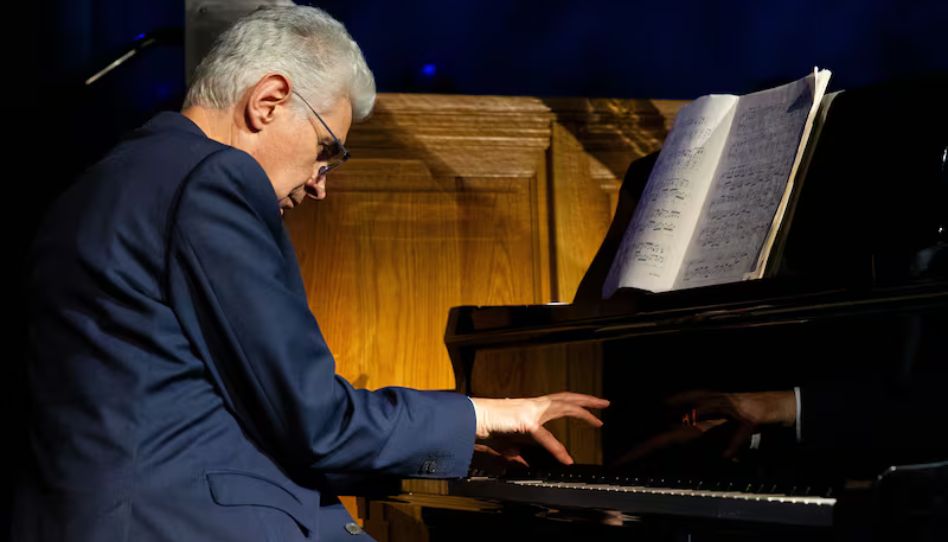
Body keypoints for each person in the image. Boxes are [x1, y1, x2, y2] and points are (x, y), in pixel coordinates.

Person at [13, 6, 608, 541]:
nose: (320, 186)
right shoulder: (211, 180)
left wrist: (440, 442)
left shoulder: (105, 179)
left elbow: (236, 410)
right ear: (269, 100)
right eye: (328, 151)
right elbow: (315, 420)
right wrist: (486, 411)